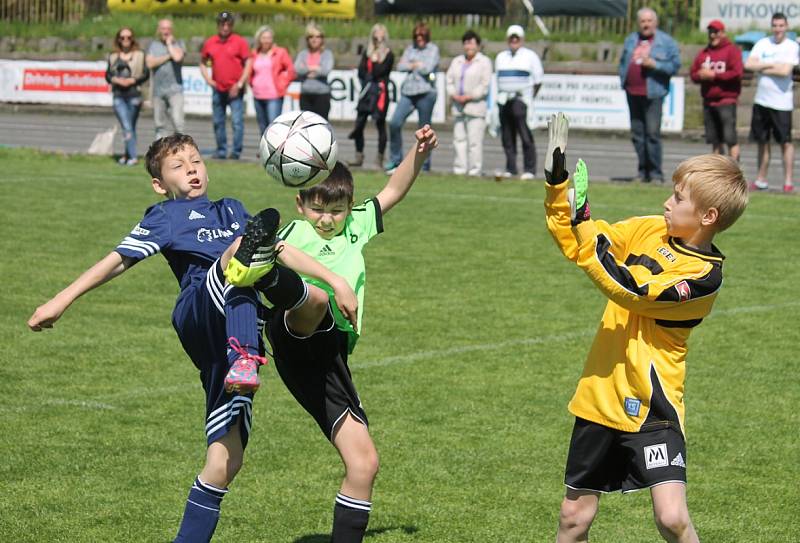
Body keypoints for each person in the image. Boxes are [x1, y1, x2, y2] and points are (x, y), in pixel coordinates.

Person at [27, 133, 358, 543]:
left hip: (232, 336)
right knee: (242, 263)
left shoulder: (231, 209)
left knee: (225, 459)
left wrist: (334, 280)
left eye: (196, 161)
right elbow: (118, 260)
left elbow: (281, 248)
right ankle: (245, 352)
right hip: (199, 309)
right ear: (159, 183)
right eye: (178, 166)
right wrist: (62, 300)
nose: (192, 170)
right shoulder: (165, 215)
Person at [542, 113, 748, 543]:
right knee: (572, 518)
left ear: (708, 215)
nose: (666, 204)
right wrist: (557, 185)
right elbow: (580, 242)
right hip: (600, 396)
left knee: (672, 518)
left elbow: (630, 289)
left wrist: (584, 223)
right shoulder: (651, 229)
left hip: (654, 407)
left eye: (678, 198)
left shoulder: (704, 278)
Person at [226, 127, 438, 543]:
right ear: (300, 203)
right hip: (293, 328)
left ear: (349, 206)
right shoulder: (292, 232)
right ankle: (260, 276)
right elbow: (270, 249)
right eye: (319, 209)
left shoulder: (357, 226)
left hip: (328, 359)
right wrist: (335, 281)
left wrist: (419, 151)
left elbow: (394, 189)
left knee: (364, 464)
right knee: (318, 299)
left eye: (337, 210)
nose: (327, 219)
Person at [619, 7, 681, 183]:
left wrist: (655, 64)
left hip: (654, 93)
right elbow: (622, 62)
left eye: (649, 21)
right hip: (632, 92)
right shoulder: (631, 39)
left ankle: (655, 173)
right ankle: (642, 172)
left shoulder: (666, 41)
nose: (646, 25)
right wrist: (623, 80)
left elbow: (675, 66)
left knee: (652, 134)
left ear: (656, 22)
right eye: (642, 21)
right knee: (637, 134)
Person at [744, 11, 799, 193]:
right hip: (762, 100)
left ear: (786, 27)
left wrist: (763, 66)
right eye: (775, 25)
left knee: (785, 142)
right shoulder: (762, 43)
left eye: (781, 25)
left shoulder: (792, 46)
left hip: (781, 103)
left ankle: (788, 180)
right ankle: (761, 179)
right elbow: (749, 64)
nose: (778, 29)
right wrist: (772, 65)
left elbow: (785, 71)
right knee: (762, 141)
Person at [385, 22, 439, 174]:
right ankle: (396, 160)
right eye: (416, 36)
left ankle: (425, 164)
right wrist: (416, 64)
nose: (419, 38)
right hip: (408, 92)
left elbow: (428, 67)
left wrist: (412, 64)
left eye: (422, 35)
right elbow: (401, 66)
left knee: (424, 130)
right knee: (395, 123)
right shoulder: (410, 48)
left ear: (427, 36)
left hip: (426, 93)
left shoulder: (433, 49)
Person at [491, 24, 543, 180]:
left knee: (525, 135)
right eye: (511, 38)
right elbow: (497, 79)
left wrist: (528, 97)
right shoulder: (501, 56)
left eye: (517, 38)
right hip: (503, 100)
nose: (514, 40)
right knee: (507, 136)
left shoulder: (530, 56)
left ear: (522, 39)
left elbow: (538, 80)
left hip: (521, 100)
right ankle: (511, 167)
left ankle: (530, 169)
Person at [690, 19, 743, 161]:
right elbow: (693, 73)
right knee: (715, 141)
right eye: (711, 32)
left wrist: (714, 75)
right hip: (709, 101)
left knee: (730, 138)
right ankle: (717, 177)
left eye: (716, 32)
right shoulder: (704, 53)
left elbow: (737, 73)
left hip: (726, 100)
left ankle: (735, 174)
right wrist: (701, 75)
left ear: (723, 33)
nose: (713, 35)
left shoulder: (732, 50)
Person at [201, 12, 252, 160]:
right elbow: (203, 62)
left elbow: (248, 62)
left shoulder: (239, 41)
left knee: (237, 122)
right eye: (222, 24)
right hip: (218, 88)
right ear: (218, 25)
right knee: (218, 121)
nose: (225, 27)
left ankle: (236, 152)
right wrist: (208, 80)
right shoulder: (210, 42)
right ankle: (221, 150)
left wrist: (241, 82)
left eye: (228, 24)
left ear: (232, 25)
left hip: (235, 88)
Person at [347, 23, 394, 169]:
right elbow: (361, 71)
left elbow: (380, 72)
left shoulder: (388, 54)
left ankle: (380, 158)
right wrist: (371, 60)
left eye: (381, 36)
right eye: (376, 36)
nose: (378, 39)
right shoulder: (367, 53)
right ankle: (359, 155)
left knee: (380, 124)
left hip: (380, 93)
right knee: (359, 123)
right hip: (367, 92)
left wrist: (375, 61)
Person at [445, 29, 492, 176]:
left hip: (476, 107)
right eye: (466, 43)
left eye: (471, 42)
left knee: (474, 141)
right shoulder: (457, 61)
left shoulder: (484, 62)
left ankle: (474, 170)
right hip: (458, 107)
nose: (468, 46)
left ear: (478, 45)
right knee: (459, 139)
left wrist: (469, 96)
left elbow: (485, 85)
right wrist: (454, 94)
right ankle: (459, 169)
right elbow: (449, 81)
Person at [106, 27, 149, 166]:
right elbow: (107, 75)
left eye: (129, 37)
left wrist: (133, 80)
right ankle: (133, 156)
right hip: (119, 95)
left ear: (133, 39)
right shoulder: (113, 56)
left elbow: (146, 74)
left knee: (130, 127)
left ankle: (127, 155)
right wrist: (116, 80)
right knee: (126, 125)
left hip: (134, 95)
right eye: (123, 37)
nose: (126, 40)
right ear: (118, 39)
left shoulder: (140, 54)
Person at [247, 25, 295, 139]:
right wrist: (252, 83)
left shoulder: (280, 52)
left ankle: (276, 150)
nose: (266, 40)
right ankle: (265, 149)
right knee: (262, 126)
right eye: (264, 38)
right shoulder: (254, 53)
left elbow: (291, 70)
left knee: (273, 126)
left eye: (269, 38)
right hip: (258, 95)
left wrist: (283, 84)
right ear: (259, 39)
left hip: (274, 96)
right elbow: (249, 71)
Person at [146, 19, 186, 140]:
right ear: (159, 30)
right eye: (163, 28)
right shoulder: (153, 45)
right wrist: (168, 56)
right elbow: (150, 63)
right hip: (158, 91)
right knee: (159, 124)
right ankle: (161, 151)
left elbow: (178, 57)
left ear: (172, 30)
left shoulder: (179, 43)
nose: (166, 31)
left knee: (178, 122)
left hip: (175, 90)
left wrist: (170, 44)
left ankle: (180, 149)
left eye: (168, 28)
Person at [294, 22, 334, 120]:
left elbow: (325, 70)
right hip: (305, 94)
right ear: (307, 39)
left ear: (322, 39)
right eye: (311, 36)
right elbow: (297, 69)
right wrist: (315, 67)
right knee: (306, 125)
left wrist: (307, 68)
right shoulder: (303, 54)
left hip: (322, 95)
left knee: (321, 124)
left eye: (317, 36)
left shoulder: (327, 54)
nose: (314, 39)